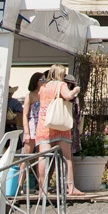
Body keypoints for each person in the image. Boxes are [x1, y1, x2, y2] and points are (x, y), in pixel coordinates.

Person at [40, 64, 83, 196]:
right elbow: (68, 96)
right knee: (67, 158)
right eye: (63, 74)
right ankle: (70, 187)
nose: (64, 77)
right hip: (61, 124)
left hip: (44, 124)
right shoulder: (61, 85)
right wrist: (76, 90)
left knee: (43, 157)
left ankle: (42, 188)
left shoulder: (43, 87)